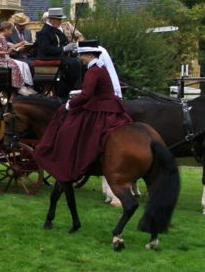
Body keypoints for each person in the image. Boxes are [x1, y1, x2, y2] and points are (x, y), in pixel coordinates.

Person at [33, 41, 132, 182]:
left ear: (90, 55)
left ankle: (68, 158)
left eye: (82, 55)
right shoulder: (100, 68)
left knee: (69, 126)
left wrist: (70, 104)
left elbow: (87, 95)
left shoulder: (93, 71)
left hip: (99, 107)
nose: (80, 58)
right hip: (107, 104)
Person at [34, 7, 82, 97]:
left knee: (80, 60)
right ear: (52, 20)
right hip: (47, 58)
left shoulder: (56, 31)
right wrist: (63, 49)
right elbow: (46, 49)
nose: (60, 22)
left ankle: (77, 87)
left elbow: (63, 41)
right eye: (59, 20)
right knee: (75, 63)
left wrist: (72, 47)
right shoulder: (43, 32)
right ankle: (72, 89)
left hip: (59, 56)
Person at [0, 21, 36, 96]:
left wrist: (22, 43)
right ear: (5, 30)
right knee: (15, 66)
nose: (11, 32)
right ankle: (18, 86)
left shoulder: (3, 37)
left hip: (5, 58)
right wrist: (6, 53)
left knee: (23, 64)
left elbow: (12, 46)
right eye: (10, 30)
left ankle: (25, 85)